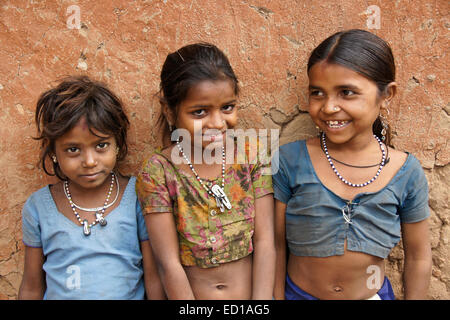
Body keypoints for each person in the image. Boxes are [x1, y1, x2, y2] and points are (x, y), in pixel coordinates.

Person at [273, 29, 432, 300]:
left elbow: (418, 258)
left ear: (387, 95)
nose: (329, 107)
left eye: (346, 92)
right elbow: (275, 247)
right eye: (317, 93)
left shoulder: (406, 172)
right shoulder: (289, 161)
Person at [136, 43, 275, 299]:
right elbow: (168, 264)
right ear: (169, 110)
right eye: (199, 112)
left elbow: (266, 243)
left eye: (227, 108)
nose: (217, 123)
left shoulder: (252, 155)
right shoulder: (159, 171)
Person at [18, 76, 165, 300]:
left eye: (101, 145)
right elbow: (31, 287)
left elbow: (153, 278)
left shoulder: (137, 196)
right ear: (53, 153)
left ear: (118, 144)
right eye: (73, 149)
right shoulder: (38, 208)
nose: (89, 161)